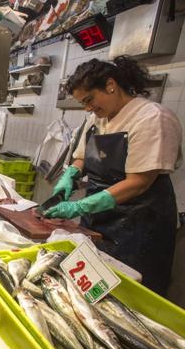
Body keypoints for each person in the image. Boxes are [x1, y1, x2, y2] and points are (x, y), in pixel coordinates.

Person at [45, 56, 183, 295]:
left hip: (139, 223)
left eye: (89, 100)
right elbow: (82, 157)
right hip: (99, 216)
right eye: (83, 103)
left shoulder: (152, 118)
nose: (88, 108)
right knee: (93, 284)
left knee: (128, 292)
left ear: (111, 85)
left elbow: (139, 182)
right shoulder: (96, 118)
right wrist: (70, 175)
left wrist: (79, 207)